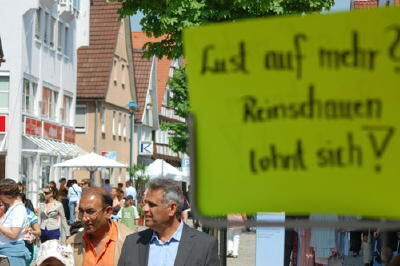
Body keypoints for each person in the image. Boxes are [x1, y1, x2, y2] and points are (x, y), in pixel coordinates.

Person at [118, 178, 220, 266]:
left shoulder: (204, 246)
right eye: (145, 203)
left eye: (151, 204)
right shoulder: (132, 243)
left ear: (172, 208)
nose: (144, 209)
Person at [67, 188, 134, 266]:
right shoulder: (71, 244)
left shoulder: (129, 241)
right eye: (81, 212)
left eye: (91, 212)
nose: (84, 218)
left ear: (108, 212)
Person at [0, 179, 30, 266]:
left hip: (12, 255)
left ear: (7, 194)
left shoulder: (18, 210)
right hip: (7, 254)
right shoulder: (12, 207)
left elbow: (13, 234)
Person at [21, 193, 41, 266]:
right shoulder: (8, 212)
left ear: (24, 202)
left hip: (27, 247)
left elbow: (38, 232)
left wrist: (30, 232)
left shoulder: (30, 214)